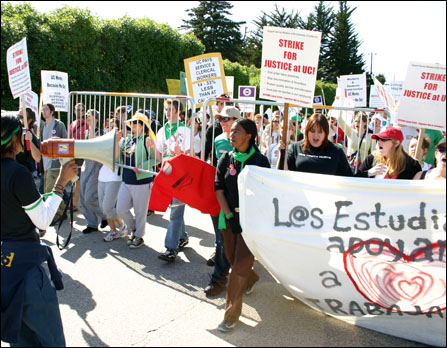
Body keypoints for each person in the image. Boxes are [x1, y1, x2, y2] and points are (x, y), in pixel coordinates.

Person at [1, 114, 78, 347]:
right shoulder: (17, 173)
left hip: (4, 267)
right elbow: (43, 221)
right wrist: (61, 182)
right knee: (50, 339)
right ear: (15, 140)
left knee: (21, 339)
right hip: (26, 270)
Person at [215, 118, 271, 332]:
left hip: (251, 222)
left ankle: (230, 316)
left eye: (237, 131)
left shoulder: (260, 161)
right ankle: (252, 278)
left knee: (237, 269)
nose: (232, 134)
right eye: (232, 131)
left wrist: (251, 219)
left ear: (249, 135)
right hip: (228, 220)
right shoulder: (225, 158)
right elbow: (218, 188)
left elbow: (266, 191)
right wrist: (229, 216)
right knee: (233, 260)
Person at [204, 106, 239, 297]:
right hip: (220, 192)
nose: (223, 123)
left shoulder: (246, 141)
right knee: (220, 233)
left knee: (235, 236)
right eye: (220, 120)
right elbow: (215, 164)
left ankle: (243, 274)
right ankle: (220, 277)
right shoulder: (217, 139)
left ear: (236, 120)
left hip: (238, 196)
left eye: (226, 119)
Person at [155, 99, 192, 261]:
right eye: (166, 109)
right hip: (166, 173)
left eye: (171, 109)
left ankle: (171, 248)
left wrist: (179, 153)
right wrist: (151, 147)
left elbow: (192, 155)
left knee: (175, 210)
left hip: (180, 175)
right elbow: (159, 157)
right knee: (174, 207)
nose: (168, 112)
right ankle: (182, 235)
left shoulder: (186, 130)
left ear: (178, 111)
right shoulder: (162, 131)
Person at [116, 112, 159, 249]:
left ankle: (139, 236)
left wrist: (142, 167)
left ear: (142, 126)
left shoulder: (147, 140)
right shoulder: (127, 139)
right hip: (126, 179)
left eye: (136, 123)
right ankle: (134, 229)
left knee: (140, 211)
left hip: (142, 181)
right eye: (132, 123)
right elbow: (118, 158)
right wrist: (117, 142)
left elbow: (157, 159)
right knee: (120, 208)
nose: (133, 125)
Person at [277, 114, 353, 177]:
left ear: (326, 133)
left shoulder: (337, 152)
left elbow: (348, 179)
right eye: (312, 131)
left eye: (320, 132)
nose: (315, 135)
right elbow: (282, 176)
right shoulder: (295, 148)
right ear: (307, 131)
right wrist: (283, 153)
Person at [39, 103, 68, 226]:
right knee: (48, 189)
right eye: (42, 109)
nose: (43, 111)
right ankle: (61, 210)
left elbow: (65, 142)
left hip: (55, 163)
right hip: (45, 163)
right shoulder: (42, 126)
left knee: (50, 190)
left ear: (52, 111)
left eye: (45, 109)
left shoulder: (58, 124)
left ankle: (60, 213)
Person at [79, 109, 106, 234]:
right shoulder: (86, 132)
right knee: (83, 197)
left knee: (90, 196)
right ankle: (92, 223)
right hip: (86, 165)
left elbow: (93, 144)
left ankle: (105, 215)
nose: (86, 117)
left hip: (95, 166)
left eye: (89, 115)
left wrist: (92, 127)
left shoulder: (100, 133)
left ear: (96, 119)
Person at [357, 126, 422, 179]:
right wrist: (368, 173)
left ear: (396, 143)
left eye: (383, 139)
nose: (379, 142)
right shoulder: (371, 159)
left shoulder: (413, 165)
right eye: (378, 138)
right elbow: (355, 180)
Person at [99, 118, 126, 242]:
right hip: (102, 177)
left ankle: (117, 228)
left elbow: (116, 159)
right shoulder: (104, 141)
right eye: (108, 127)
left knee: (107, 208)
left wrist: (116, 140)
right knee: (104, 208)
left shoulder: (123, 142)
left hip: (114, 178)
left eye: (112, 127)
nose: (109, 129)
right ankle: (117, 227)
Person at [16, 107, 41, 177]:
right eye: (17, 116)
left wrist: (29, 142)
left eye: (21, 117)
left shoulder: (30, 136)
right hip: (13, 172)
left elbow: (38, 158)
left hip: (25, 174)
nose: (18, 119)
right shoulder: (13, 132)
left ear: (29, 120)